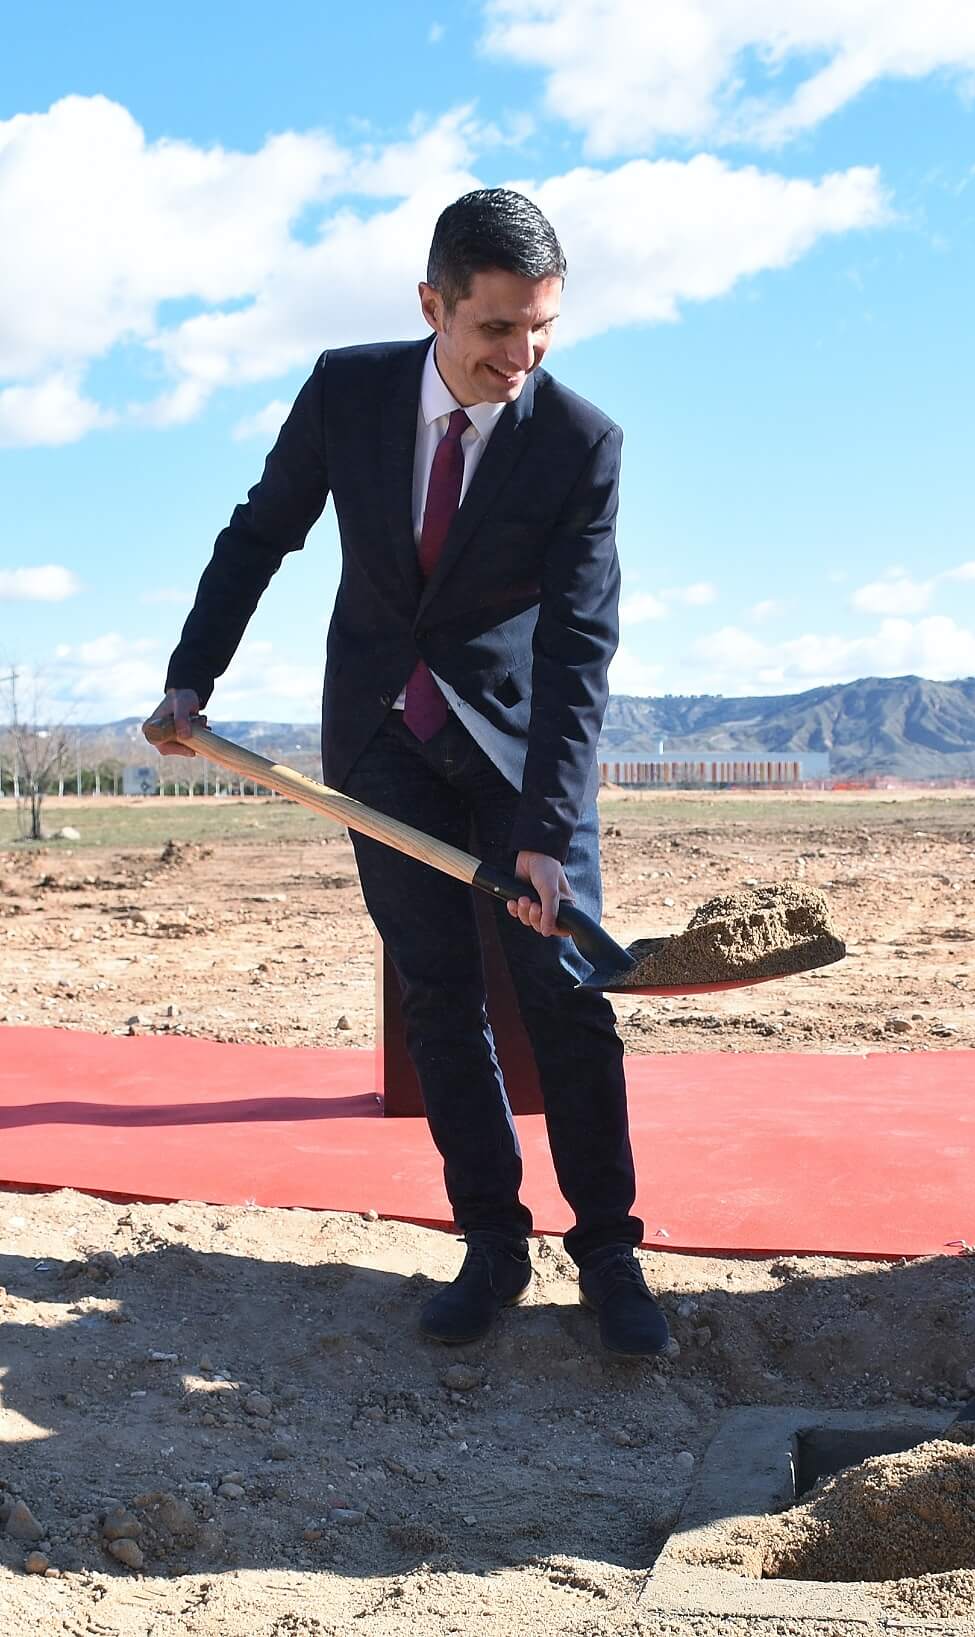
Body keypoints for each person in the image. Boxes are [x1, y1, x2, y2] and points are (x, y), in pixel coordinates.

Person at [150, 188, 670, 1357]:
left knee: (565, 998)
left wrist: (546, 829)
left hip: (518, 751)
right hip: (384, 744)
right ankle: (492, 1245)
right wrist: (193, 678)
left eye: (541, 329)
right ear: (431, 303)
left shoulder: (580, 441)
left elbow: (580, 641)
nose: (520, 357)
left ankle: (610, 1250)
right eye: (495, 329)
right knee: (438, 996)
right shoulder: (349, 390)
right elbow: (260, 532)